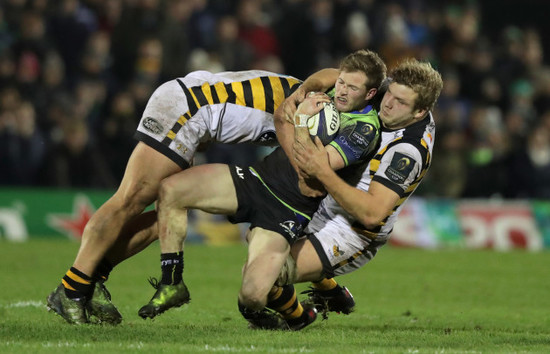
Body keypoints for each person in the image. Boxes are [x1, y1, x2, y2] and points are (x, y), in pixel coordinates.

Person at [45, 68, 339, 325]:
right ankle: (72, 289)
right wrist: (326, 282)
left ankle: (93, 276)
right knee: (130, 200)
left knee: (167, 212)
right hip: (189, 108)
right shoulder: (322, 103)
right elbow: (336, 75)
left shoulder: (327, 104)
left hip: (196, 112)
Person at [138, 49, 386, 331]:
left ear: (369, 94)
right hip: (258, 178)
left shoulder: (363, 130)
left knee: (253, 295)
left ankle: (293, 316)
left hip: (288, 209)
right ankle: (172, 282)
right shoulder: (334, 88)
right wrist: (303, 90)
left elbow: (312, 169)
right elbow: (322, 77)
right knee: (171, 190)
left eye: (352, 87)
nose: (341, 91)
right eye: (341, 82)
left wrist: (301, 119)